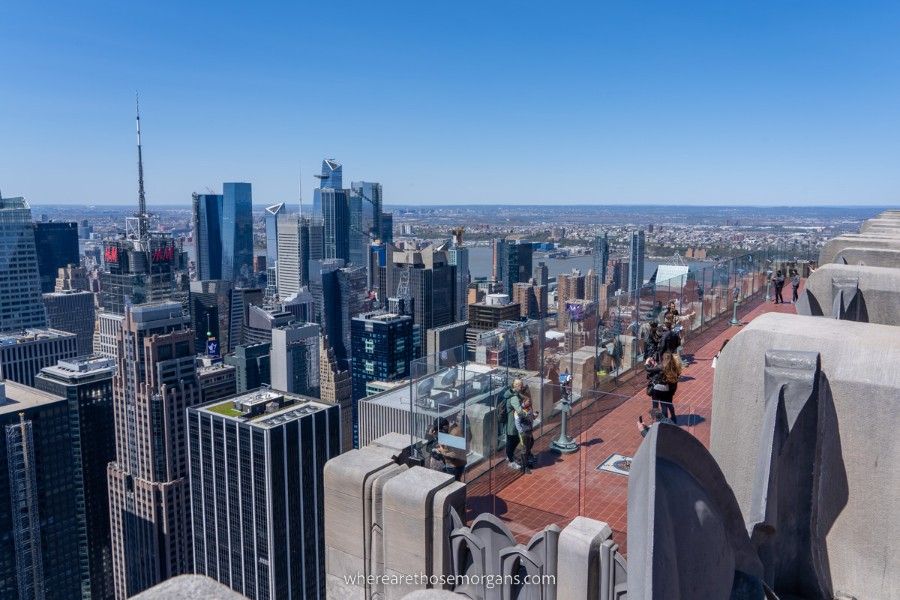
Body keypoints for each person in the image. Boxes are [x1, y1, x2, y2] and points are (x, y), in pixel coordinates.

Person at [645, 352, 681, 422]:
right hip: (666, 389)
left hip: (657, 388)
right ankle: (665, 421)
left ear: (664, 358)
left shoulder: (661, 366)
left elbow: (648, 369)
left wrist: (647, 362)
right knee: (664, 406)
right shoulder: (673, 367)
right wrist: (655, 364)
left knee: (655, 406)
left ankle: (655, 421)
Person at [501, 379, 527, 469]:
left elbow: (522, 401)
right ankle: (511, 461)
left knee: (512, 440)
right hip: (512, 423)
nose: (522, 387)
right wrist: (527, 414)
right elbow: (519, 411)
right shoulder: (514, 397)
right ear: (515, 386)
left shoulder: (514, 394)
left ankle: (510, 456)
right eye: (520, 386)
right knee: (513, 441)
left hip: (512, 422)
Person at [514, 397, 538, 472]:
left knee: (530, 445)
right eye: (528, 401)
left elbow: (531, 418)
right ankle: (524, 467)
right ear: (523, 402)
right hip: (524, 432)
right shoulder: (519, 411)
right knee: (524, 449)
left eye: (530, 401)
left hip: (529, 431)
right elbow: (517, 423)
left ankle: (526, 462)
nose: (529, 403)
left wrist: (535, 416)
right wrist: (521, 432)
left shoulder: (529, 409)